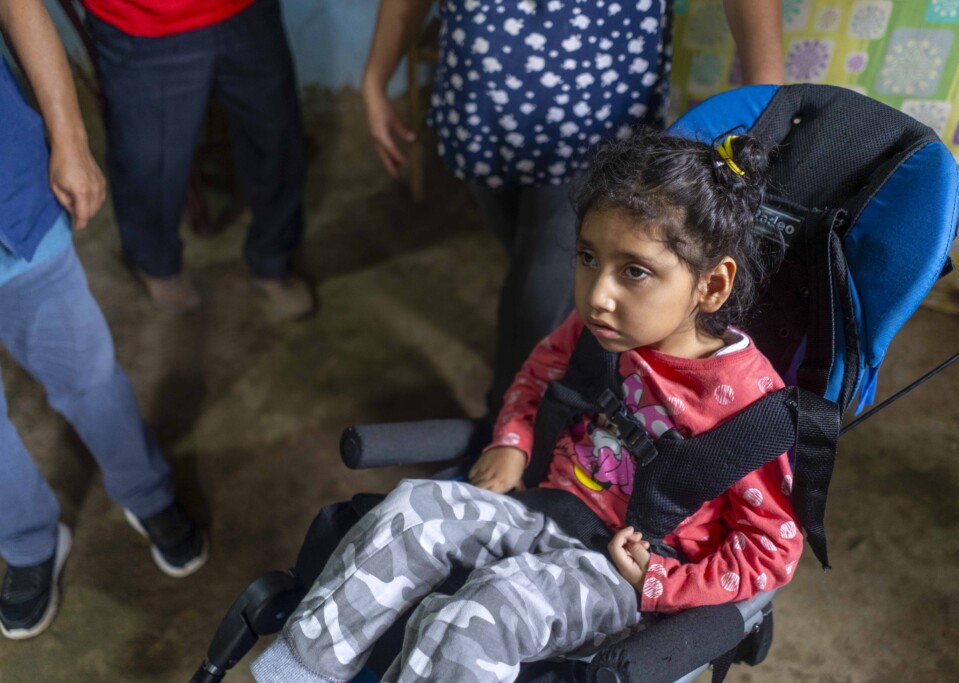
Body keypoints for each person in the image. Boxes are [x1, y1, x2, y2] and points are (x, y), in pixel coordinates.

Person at [251, 129, 802, 682]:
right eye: (588, 257)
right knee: (414, 508)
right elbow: (539, 372)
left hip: (624, 572)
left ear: (712, 286)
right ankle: (298, 673)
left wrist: (663, 582)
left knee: (481, 611)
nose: (597, 294)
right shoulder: (600, 330)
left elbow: (770, 552)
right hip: (547, 506)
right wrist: (512, 439)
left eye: (634, 270)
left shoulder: (750, 414)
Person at [362, 0, 783, 419]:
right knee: (556, 286)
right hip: (480, 106)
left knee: (538, 298)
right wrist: (375, 76)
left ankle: (510, 431)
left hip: (594, 119)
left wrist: (770, 110)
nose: (599, 297)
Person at [0, 0, 206, 641]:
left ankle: (146, 493)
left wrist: (70, 138)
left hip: (9, 199)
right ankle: (28, 542)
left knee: (85, 369)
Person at [82, 0, 314, 319]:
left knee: (276, 137)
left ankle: (274, 259)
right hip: (142, 20)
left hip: (246, 10)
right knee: (148, 161)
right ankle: (155, 265)